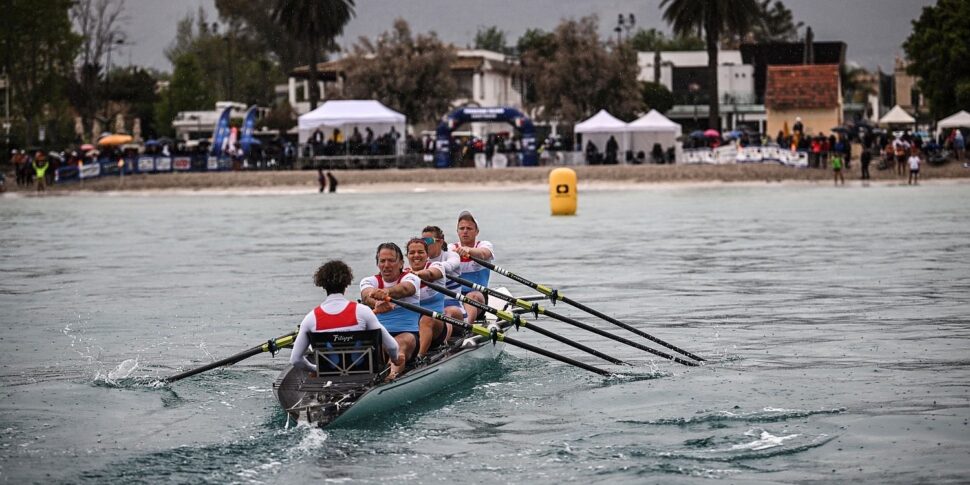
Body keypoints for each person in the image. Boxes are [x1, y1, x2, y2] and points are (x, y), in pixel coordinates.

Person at [289, 260, 404, 373]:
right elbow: (392, 346)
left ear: (322, 285)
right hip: (363, 373)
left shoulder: (311, 318)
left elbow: (295, 360)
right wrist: (395, 360)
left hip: (329, 375)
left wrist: (316, 369)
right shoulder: (363, 311)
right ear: (347, 283)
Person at [360, 242, 422, 378]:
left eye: (391, 261)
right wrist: (376, 302)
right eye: (382, 261)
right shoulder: (369, 281)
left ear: (401, 263)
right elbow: (366, 295)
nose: (386, 265)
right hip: (379, 336)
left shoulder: (411, 278)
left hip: (408, 335)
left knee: (398, 344)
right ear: (377, 264)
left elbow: (406, 289)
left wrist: (386, 292)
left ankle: (390, 377)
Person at [404, 237, 455, 357]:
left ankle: (419, 357)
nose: (416, 255)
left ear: (427, 255)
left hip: (437, 326)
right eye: (412, 253)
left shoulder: (436, 266)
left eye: (420, 252)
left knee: (427, 318)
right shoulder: (403, 273)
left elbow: (430, 274)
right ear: (407, 256)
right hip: (412, 327)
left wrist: (415, 275)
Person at [451, 211, 494, 323]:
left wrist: (468, 250)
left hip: (478, 296)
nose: (465, 231)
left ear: (477, 231)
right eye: (462, 228)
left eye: (469, 229)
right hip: (455, 297)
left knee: (471, 296)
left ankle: (466, 327)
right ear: (457, 231)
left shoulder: (484, 245)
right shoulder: (451, 248)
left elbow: (485, 253)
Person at [422, 225, 465, 323]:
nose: (424, 244)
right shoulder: (421, 261)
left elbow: (449, 266)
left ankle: (444, 337)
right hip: (430, 308)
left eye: (428, 241)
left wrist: (428, 271)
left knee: (445, 312)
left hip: (454, 307)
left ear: (440, 242)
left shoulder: (451, 255)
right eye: (422, 241)